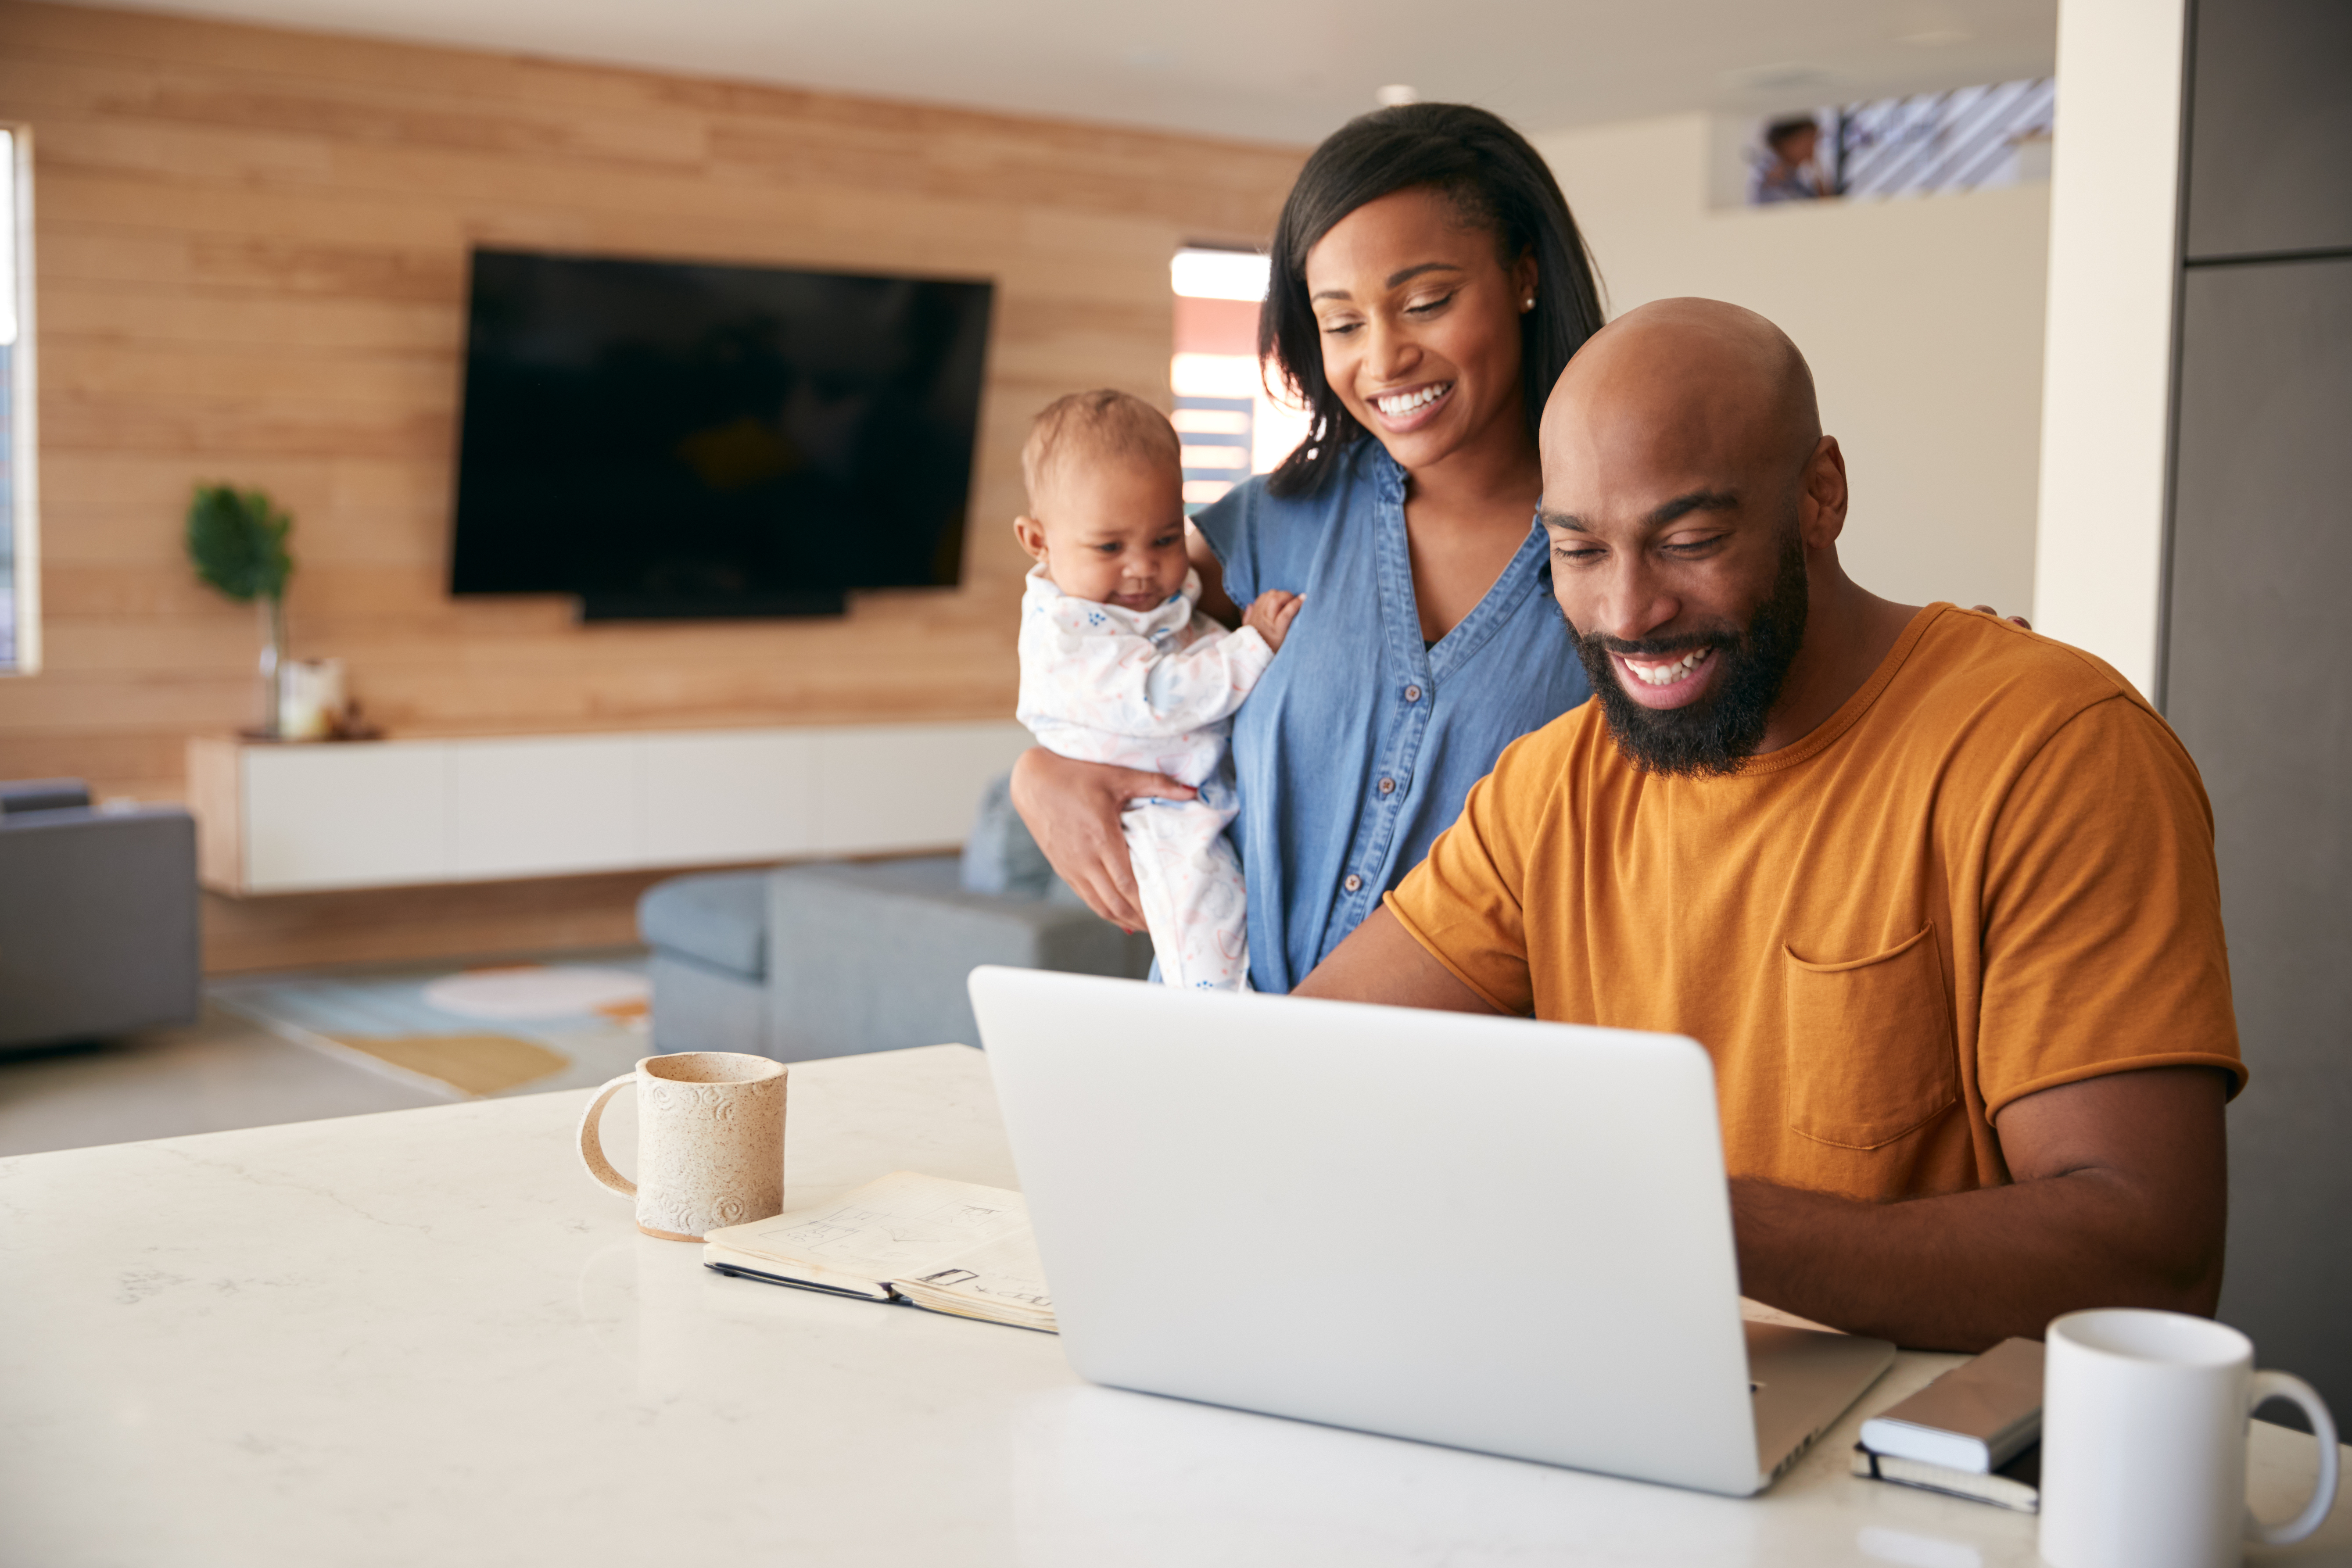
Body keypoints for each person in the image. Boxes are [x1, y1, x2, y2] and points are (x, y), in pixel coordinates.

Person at [1298, 298, 2244, 1352]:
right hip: (1632, 1407)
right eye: (1577, 550)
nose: (1625, 612)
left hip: (1924, 1463)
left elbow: (2145, 1258)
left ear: (1819, 498)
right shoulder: (1551, 785)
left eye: (1688, 541)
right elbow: (1297, 1071)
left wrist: (1678, 1217)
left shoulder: (2051, 750)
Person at [1012, 104, 1603, 991]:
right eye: (1341, 322)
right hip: (1237, 1067)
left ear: (1524, 274)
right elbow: (1094, 654)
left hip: (1484, 1091)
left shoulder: (1622, 553)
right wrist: (1039, 772)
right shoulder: (1269, 526)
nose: (1385, 358)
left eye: (1426, 303)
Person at [1012, 390, 1302, 989]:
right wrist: (1256, 645)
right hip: (1150, 814)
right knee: (1206, 922)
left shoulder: (1132, 603)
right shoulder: (1067, 635)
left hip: (1187, 792)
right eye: (1110, 547)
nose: (1143, 567)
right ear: (1038, 541)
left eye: (1166, 539)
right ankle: (1220, 1026)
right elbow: (1161, 697)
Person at [1751, 115, 1828, 204]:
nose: (1813, 148)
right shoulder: (1771, 177)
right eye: (1809, 140)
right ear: (1788, 141)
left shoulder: (1793, 175)